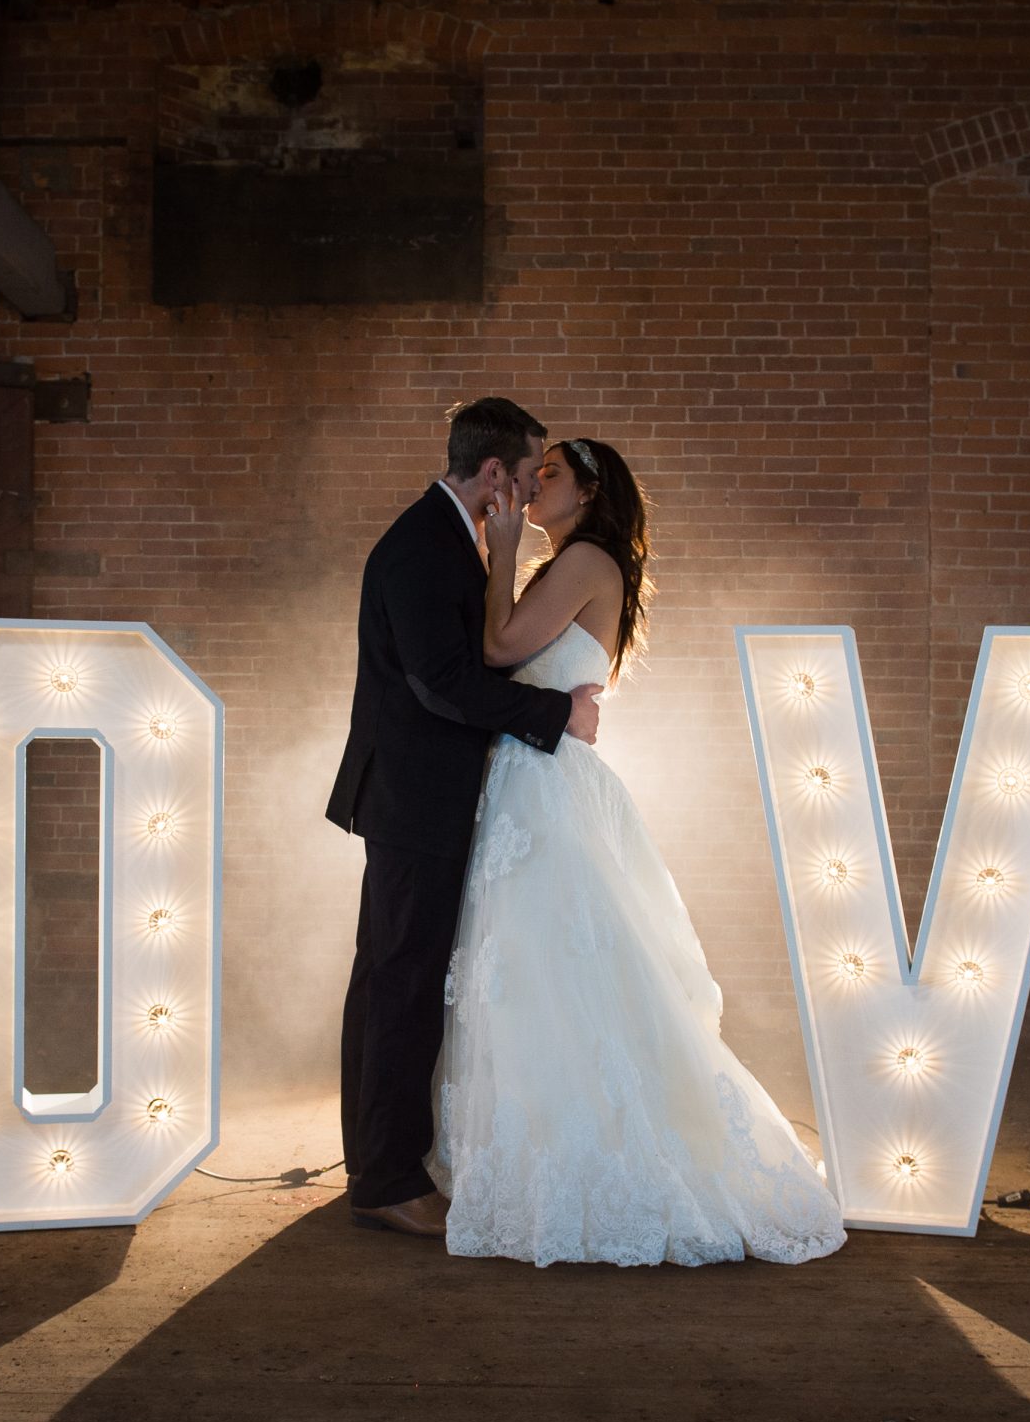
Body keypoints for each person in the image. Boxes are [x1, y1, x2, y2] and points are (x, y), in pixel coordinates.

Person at [429, 436, 847, 1266]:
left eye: (551, 474)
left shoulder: (584, 562)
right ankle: (536, 1153)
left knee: (552, 969)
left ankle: (593, 1168)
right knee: (531, 975)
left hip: (542, 788)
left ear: (589, 493)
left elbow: (499, 650)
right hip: (530, 779)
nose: (532, 485)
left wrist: (501, 551)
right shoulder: (572, 565)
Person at [325, 398, 605, 1238]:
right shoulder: (423, 545)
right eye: (526, 474)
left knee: (388, 975)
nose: (530, 490)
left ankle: (374, 1163)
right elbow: (442, 682)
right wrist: (557, 713)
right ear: (493, 473)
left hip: (417, 792)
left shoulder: (448, 537)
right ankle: (386, 1179)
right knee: (402, 982)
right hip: (415, 795)